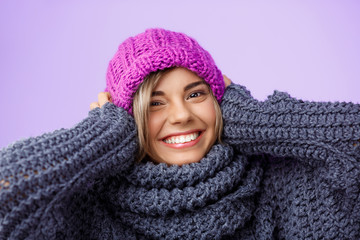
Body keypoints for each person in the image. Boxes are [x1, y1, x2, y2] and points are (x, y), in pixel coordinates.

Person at [0, 28, 359, 239]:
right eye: (154, 103)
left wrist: (255, 118)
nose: (182, 115)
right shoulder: (86, 208)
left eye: (196, 93)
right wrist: (101, 135)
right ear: (127, 119)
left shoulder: (282, 181)